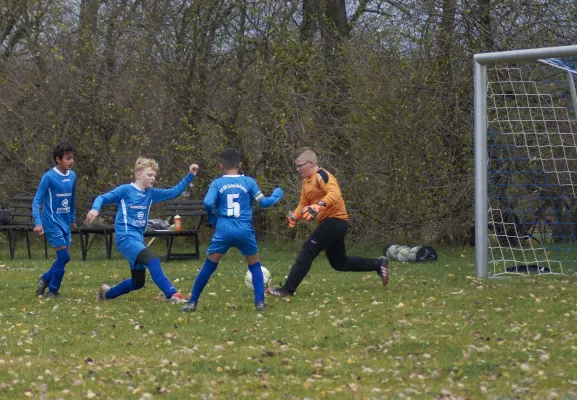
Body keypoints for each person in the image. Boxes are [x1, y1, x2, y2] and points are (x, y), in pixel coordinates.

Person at [266, 147, 389, 297]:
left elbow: (335, 193)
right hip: (332, 224)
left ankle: (287, 290)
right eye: (296, 166)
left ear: (311, 163)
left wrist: (320, 205)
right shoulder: (306, 181)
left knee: (308, 249)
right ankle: (378, 264)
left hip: (335, 222)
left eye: (300, 165)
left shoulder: (322, 176)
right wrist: (295, 217)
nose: (298, 169)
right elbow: (303, 203)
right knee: (339, 263)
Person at [182, 148, 283, 312]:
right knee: (254, 265)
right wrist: (277, 195)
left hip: (223, 230)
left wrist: (213, 218)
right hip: (244, 229)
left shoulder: (217, 183)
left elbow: (208, 203)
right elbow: (263, 203)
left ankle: (192, 302)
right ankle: (260, 303)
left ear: (221, 166)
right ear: (240, 165)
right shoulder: (249, 182)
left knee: (209, 265)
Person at [88, 157, 199, 303]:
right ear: (138, 174)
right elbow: (101, 198)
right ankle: (173, 295)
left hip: (137, 240)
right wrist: (95, 209)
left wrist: (190, 175)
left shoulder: (150, 193)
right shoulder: (125, 190)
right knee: (153, 261)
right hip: (125, 238)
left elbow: (173, 192)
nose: (153, 178)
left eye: (154, 175)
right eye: (150, 175)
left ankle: (106, 294)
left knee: (137, 282)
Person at [33, 142, 78, 298]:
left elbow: (72, 200)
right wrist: (38, 223)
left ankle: (44, 278)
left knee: (63, 258)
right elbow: (37, 201)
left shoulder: (72, 176)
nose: (71, 161)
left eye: (72, 158)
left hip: (65, 223)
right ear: (59, 159)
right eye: (68, 158)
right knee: (64, 256)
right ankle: (52, 290)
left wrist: (72, 220)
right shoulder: (49, 177)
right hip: (50, 222)